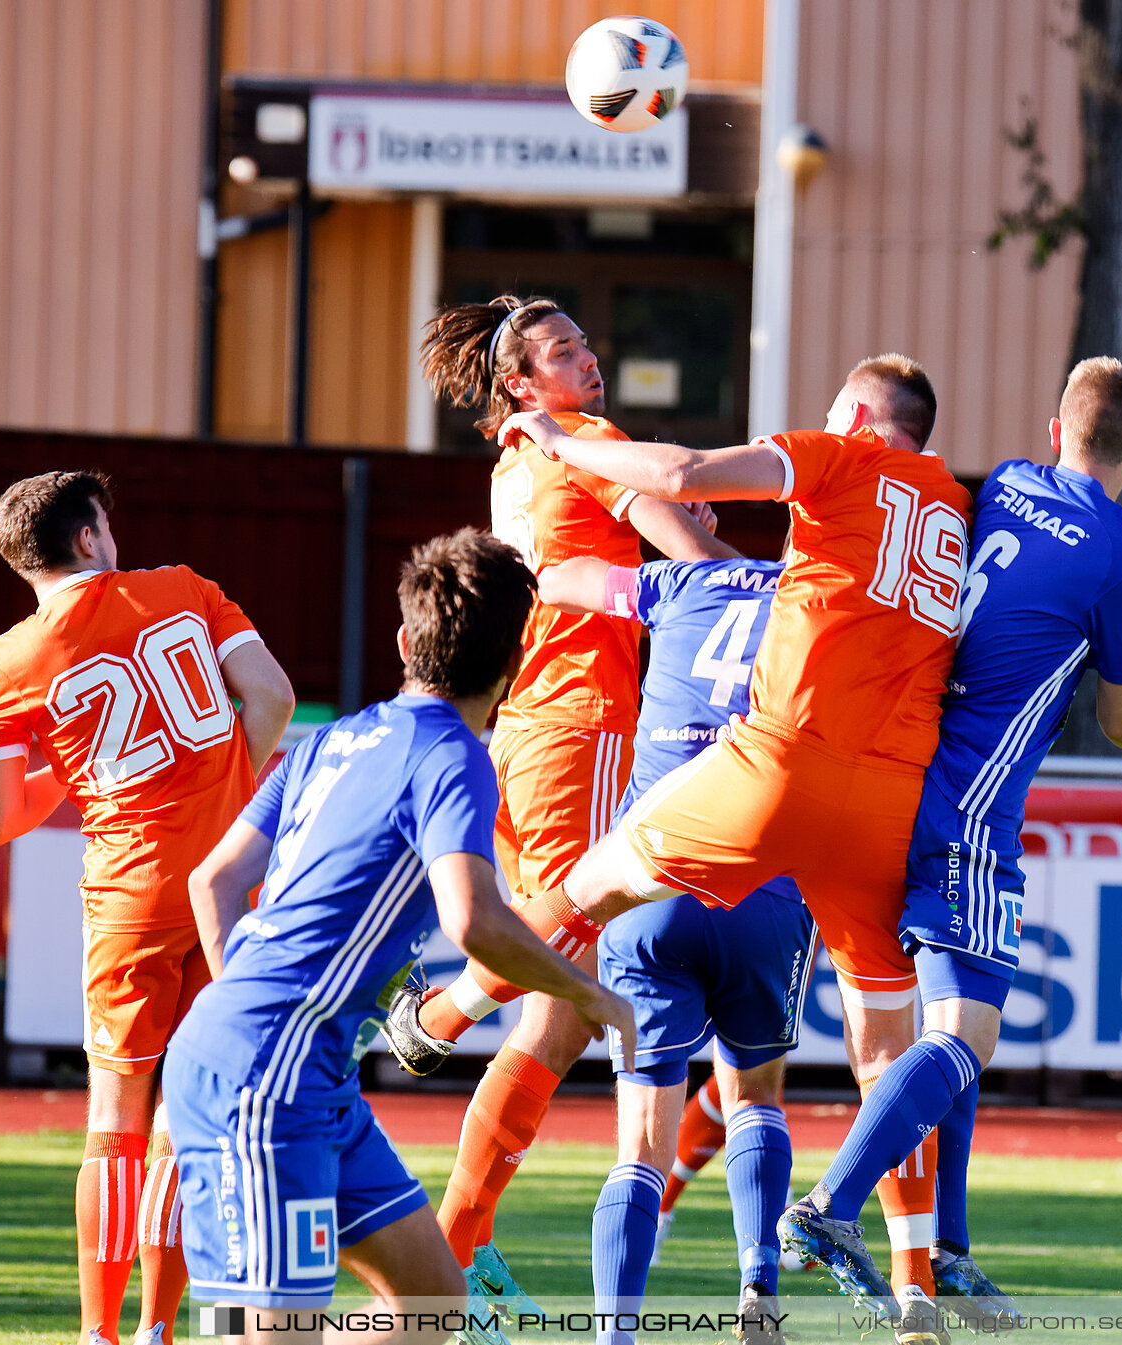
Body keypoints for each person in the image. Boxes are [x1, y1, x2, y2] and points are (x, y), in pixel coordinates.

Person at [477, 353, 973, 1339]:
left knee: (636, 1119)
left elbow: (578, 558)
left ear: (859, 416)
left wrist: (542, 467)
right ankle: (802, 1288)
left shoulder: (680, 586)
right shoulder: (932, 530)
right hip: (796, 868)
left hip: (696, 837)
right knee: (804, 1082)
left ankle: (446, 1013)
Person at [780, 357, 1122, 1319]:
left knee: (943, 1027)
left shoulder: (1007, 482)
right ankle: (828, 1205)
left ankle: (948, 1251)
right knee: (967, 1039)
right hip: (973, 807)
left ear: (1055, 430)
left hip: (900, 770)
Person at [163, 528, 636, 1344]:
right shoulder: (453, 755)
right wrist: (588, 991)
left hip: (314, 1076)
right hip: (266, 1078)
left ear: (403, 641)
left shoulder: (334, 737)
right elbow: (474, 921)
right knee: (271, 1334)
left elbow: (215, 880)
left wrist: (249, 1005)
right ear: (517, 662)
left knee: (431, 1303)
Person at [384, 296, 735, 1311]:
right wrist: (720, 558)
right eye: (561, 350)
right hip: (579, 720)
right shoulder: (583, 438)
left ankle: (461, 1243)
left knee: (558, 1003)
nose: (588, 357)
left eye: (584, 342)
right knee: (566, 971)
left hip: (535, 721)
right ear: (519, 384)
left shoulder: (515, 459)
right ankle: (438, 1027)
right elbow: (695, 559)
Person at [0, 471, 295, 1345]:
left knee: (115, 1116)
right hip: (228, 882)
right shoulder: (185, 587)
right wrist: (228, 795)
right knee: (191, 1108)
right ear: (88, 536)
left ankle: (99, 1332)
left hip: (129, 890)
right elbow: (272, 698)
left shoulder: (9, 660)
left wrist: (78, 772)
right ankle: (158, 1324)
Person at [537, 553, 813, 1344]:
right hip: (760, 883)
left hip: (647, 882)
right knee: (755, 1094)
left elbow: (561, 580)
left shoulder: (678, 584)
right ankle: (758, 1284)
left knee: (639, 1145)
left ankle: (615, 1333)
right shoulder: (820, 603)